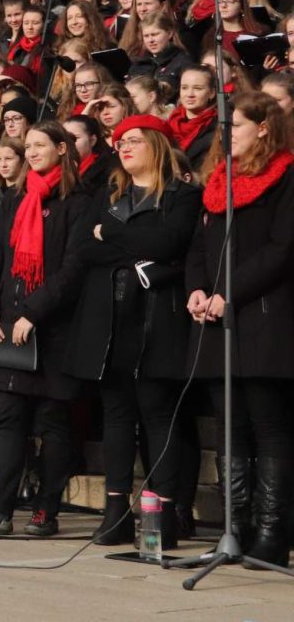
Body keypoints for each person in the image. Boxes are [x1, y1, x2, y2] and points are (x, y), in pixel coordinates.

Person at [0, 121, 87, 538]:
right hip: (7, 327)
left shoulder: (78, 201)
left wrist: (34, 312)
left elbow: (73, 269)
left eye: (40, 145)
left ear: (62, 149)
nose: (32, 152)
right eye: (28, 146)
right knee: (9, 420)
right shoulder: (15, 197)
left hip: (52, 329)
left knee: (53, 424)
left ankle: (46, 508)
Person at [66, 115, 199, 550]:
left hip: (157, 320)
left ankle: (163, 516)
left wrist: (113, 234)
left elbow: (169, 245)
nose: (123, 147)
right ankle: (116, 512)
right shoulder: (109, 192)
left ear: (156, 144)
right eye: (120, 141)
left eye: (134, 140)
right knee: (117, 416)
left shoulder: (181, 194)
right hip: (109, 319)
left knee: (158, 416)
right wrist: (134, 247)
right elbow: (83, 248)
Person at [186, 92, 294, 568]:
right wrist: (196, 289)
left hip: (263, 318)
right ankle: (236, 527)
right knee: (229, 426)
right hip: (216, 318)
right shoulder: (219, 180)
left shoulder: (286, 176)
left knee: (268, 424)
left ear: (264, 128)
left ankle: (272, 531)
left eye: (238, 125)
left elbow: (281, 249)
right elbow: (197, 245)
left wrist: (229, 292)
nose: (226, 134)